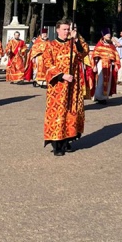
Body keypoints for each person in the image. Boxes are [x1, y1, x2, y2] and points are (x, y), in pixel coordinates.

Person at [42, 19, 90, 156]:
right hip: (58, 86)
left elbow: (83, 53)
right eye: (64, 29)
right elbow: (47, 64)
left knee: (71, 111)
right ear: (57, 30)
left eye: (68, 29)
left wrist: (77, 39)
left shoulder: (72, 44)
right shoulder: (50, 45)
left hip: (73, 86)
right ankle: (57, 144)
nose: (66, 32)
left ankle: (68, 139)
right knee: (58, 113)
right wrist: (62, 75)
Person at [92, 28, 120, 104]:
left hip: (109, 65)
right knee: (101, 80)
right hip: (101, 64)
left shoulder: (111, 45)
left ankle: (104, 97)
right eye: (107, 35)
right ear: (103, 36)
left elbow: (116, 54)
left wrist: (117, 64)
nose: (109, 36)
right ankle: (99, 97)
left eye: (109, 34)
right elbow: (95, 55)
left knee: (109, 80)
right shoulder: (99, 44)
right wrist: (94, 65)